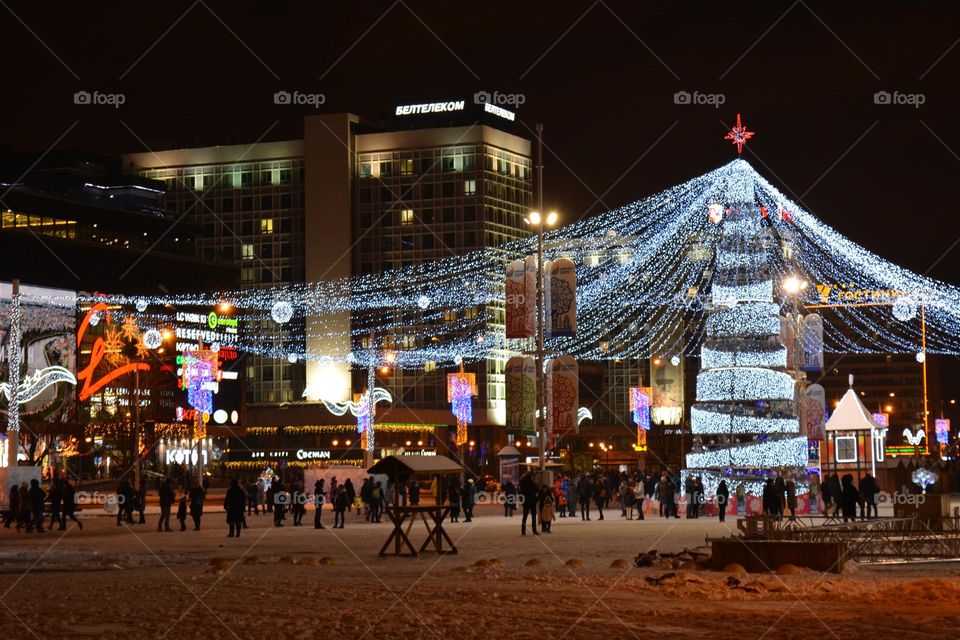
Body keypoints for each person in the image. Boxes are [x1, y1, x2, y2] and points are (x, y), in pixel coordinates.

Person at [519, 470, 538, 535]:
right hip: (532, 502)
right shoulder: (533, 484)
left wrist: (522, 501)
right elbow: (536, 491)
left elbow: (520, 493)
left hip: (526, 502)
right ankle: (534, 530)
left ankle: (523, 531)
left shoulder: (523, 485)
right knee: (533, 517)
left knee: (524, 517)